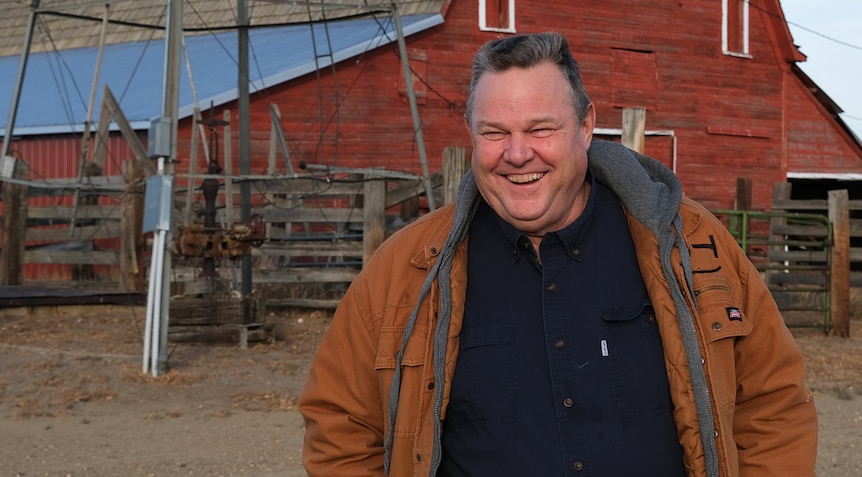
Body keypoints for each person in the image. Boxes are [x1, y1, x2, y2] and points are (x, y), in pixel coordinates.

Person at [299, 31, 818, 476]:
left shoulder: (689, 245)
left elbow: (772, 404)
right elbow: (341, 422)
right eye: (495, 132)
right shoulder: (407, 270)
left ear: (587, 126)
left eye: (540, 129)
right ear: (471, 137)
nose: (518, 153)